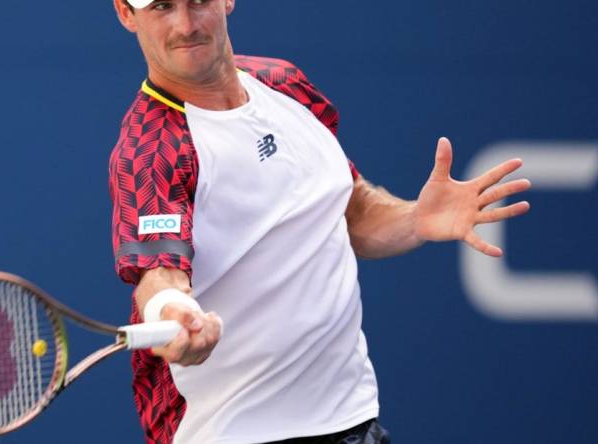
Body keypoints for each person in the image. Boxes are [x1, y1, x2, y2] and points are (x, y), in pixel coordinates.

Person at [108, 1, 531, 443]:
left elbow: (350, 210)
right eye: (162, 6)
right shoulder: (150, 152)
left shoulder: (283, 84)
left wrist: (416, 219)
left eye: (197, 1)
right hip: (234, 434)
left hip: (352, 420)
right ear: (126, 12)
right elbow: (160, 277)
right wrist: (174, 313)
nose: (185, 24)